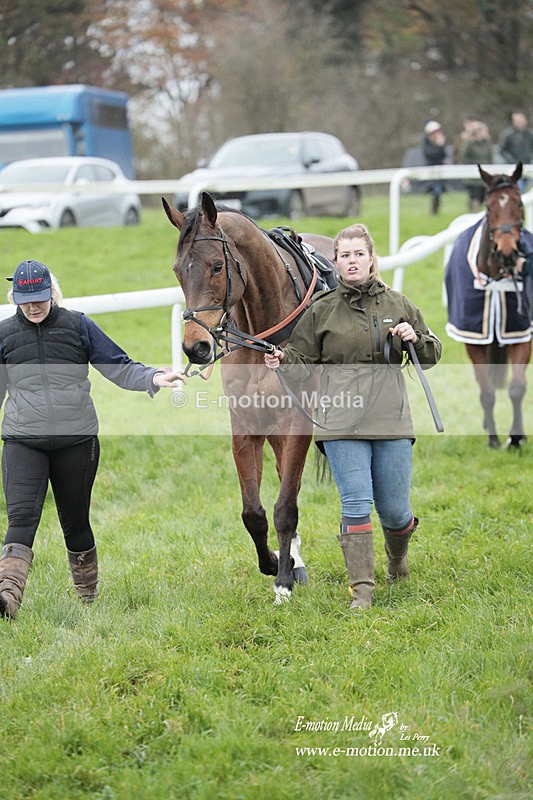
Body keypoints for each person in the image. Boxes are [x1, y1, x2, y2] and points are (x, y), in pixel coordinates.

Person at [264, 225, 442, 610]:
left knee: (395, 512)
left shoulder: (398, 303)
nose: (352, 261)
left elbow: (431, 353)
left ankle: (397, 559)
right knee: (356, 504)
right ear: (336, 262)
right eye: (344, 256)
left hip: (390, 419)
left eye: (358, 254)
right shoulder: (321, 311)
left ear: (371, 259)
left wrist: (415, 339)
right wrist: (281, 361)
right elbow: (300, 362)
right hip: (339, 422)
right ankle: (361, 591)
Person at [0, 260, 184, 619]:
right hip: (24, 441)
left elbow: (117, 363)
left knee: (76, 519)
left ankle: (87, 597)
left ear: (53, 293)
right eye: (25, 300)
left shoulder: (77, 324)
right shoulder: (4, 335)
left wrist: (153, 378)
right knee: (21, 517)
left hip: (77, 441)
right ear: (15, 297)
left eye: (40, 298)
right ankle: (6, 599)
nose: (33, 307)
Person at [459, 118, 493, 211]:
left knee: (483, 197)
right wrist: (470, 138)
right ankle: (473, 213)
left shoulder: (485, 143)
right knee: (475, 197)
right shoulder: (469, 143)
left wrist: (486, 139)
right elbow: (463, 155)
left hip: (484, 176)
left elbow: (490, 156)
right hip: (472, 177)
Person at [498, 111, 533, 192]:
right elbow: (502, 150)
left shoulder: (530, 135)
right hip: (513, 167)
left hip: (528, 166)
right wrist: (512, 161)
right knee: (518, 189)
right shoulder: (507, 134)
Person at [422, 120, 452, 214]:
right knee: (436, 190)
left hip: (441, 171)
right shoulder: (426, 143)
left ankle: (435, 210)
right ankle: (434, 210)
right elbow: (431, 155)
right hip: (431, 171)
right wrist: (439, 146)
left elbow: (443, 156)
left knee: (438, 191)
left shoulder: (440, 143)